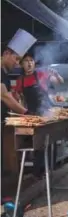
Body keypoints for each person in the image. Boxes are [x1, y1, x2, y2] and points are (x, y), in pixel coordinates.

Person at [1, 29, 36, 197]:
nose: (17, 64)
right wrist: (26, 113)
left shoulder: (5, 75)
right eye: (16, 59)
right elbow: (4, 97)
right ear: (6, 53)